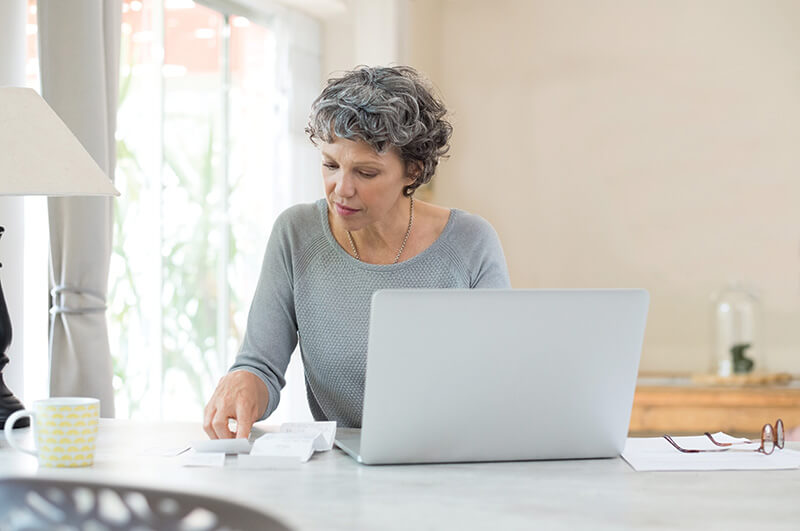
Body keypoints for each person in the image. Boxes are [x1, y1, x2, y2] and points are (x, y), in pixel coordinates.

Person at [203, 65, 511, 440]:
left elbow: (498, 380)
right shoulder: (296, 234)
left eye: (366, 173)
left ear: (412, 172)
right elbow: (261, 366)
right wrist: (244, 381)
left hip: (452, 462)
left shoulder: (471, 243)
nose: (341, 189)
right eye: (330, 165)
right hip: (341, 472)